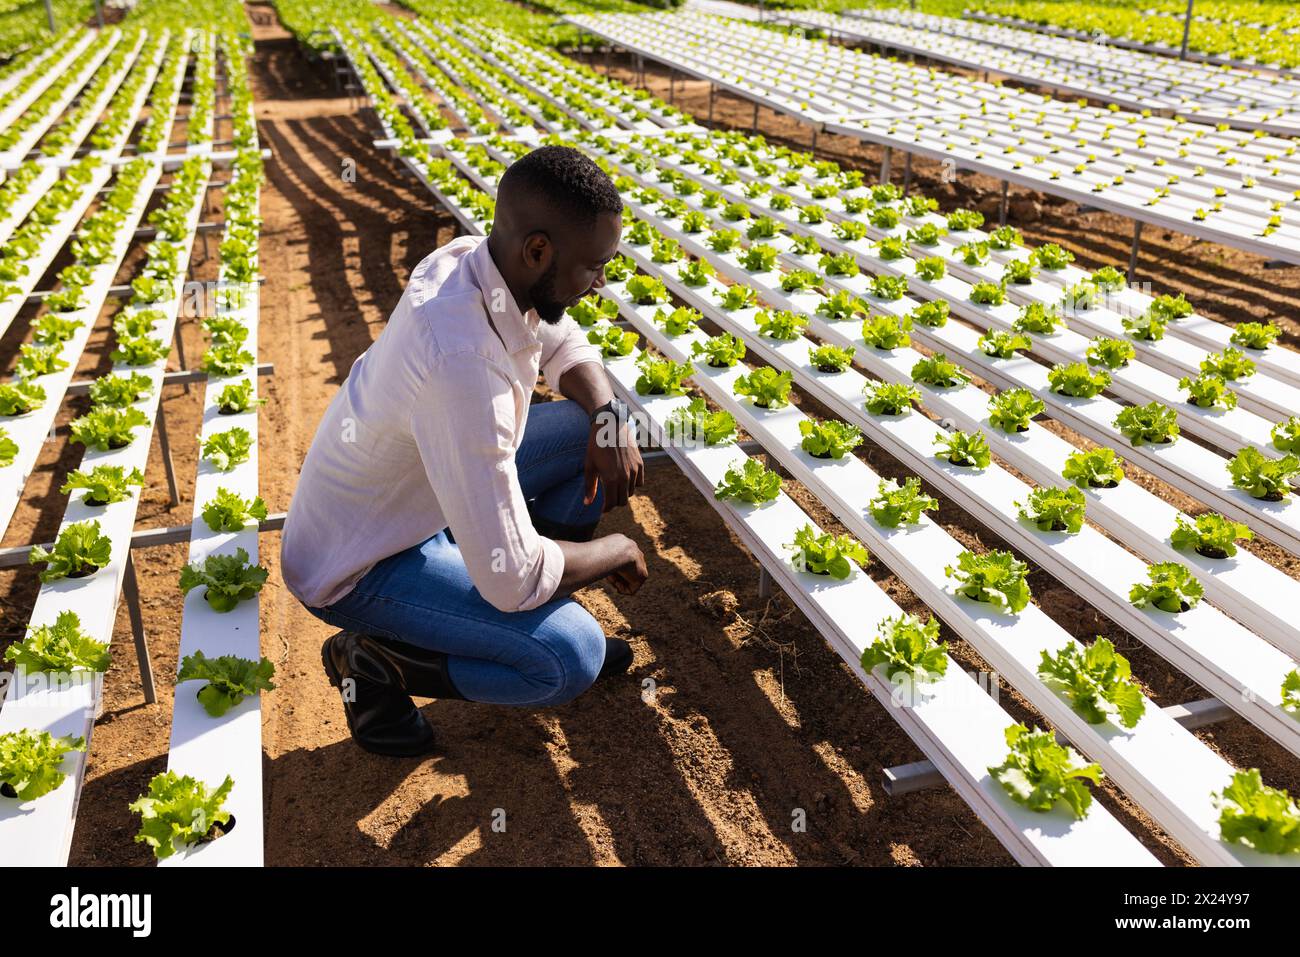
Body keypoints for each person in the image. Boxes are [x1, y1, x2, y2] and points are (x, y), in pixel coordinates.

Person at [280, 145, 648, 756]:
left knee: (585, 429)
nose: (602, 281)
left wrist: (608, 417)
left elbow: (561, 340)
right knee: (569, 655)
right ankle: (378, 659)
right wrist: (614, 548)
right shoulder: (462, 365)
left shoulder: (473, 261)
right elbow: (512, 578)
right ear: (538, 250)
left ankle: (497, 620)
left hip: (420, 494)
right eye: (594, 266)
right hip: (361, 561)